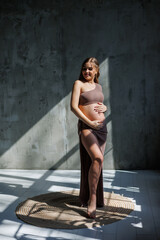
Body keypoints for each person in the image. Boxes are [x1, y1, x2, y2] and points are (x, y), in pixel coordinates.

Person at [70, 57, 108, 218]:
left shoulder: (98, 86)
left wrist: (104, 107)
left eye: (90, 69)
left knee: (97, 162)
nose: (86, 71)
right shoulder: (78, 84)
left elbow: (99, 105)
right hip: (87, 127)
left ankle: (94, 196)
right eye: (84, 68)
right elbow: (73, 107)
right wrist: (90, 123)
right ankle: (92, 198)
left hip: (102, 129)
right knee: (97, 158)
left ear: (96, 71)